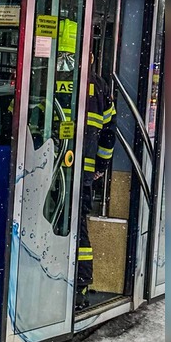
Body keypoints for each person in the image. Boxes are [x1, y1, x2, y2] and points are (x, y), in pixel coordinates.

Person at [77, 48, 116, 309]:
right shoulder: (100, 88)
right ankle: (79, 288)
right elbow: (109, 134)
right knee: (78, 230)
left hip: (44, 170)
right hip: (83, 175)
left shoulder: (42, 74)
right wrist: (100, 165)